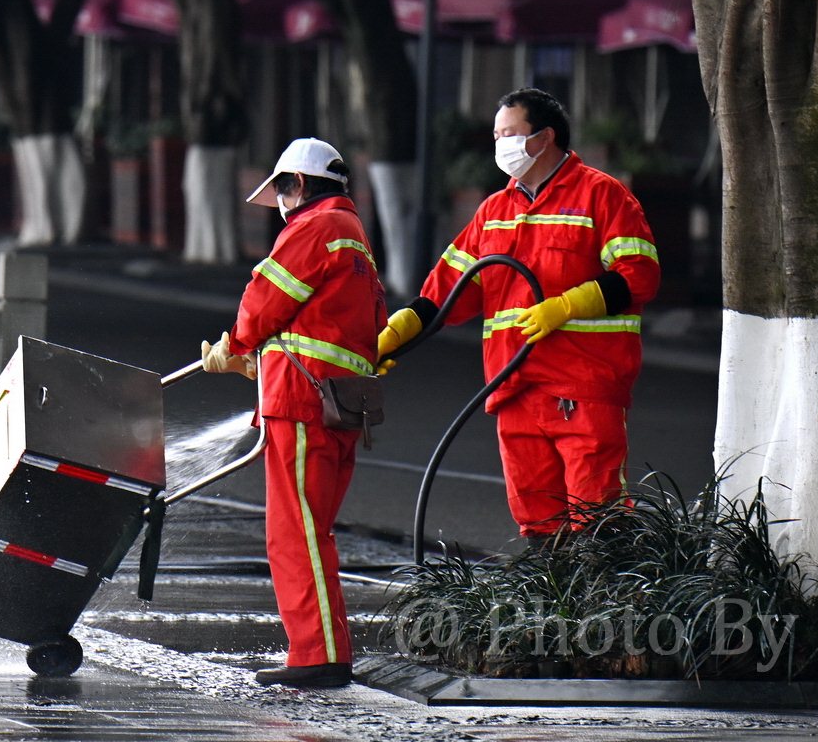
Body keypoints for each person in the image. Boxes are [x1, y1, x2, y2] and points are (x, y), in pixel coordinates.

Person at [377, 88, 659, 536]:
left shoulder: (602, 196)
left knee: (596, 519)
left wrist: (565, 306)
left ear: (544, 138)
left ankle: (601, 604)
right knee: (537, 522)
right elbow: (445, 292)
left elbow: (639, 275)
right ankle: (552, 604)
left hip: (581, 386)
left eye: (510, 134)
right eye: (495, 135)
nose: (500, 145)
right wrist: (393, 334)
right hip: (514, 389)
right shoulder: (493, 212)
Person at [200, 137, 387, 688]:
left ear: (297, 185)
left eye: (281, 191)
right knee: (312, 531)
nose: (280, 205)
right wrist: (259, 361)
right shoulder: (353, 237)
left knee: (296, 534)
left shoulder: (317, 227)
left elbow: (266, 298)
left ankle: (318, 657)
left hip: (304, 407)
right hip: (333, 405)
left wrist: (234, 344)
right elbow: (331, 327)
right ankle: (322, 651)